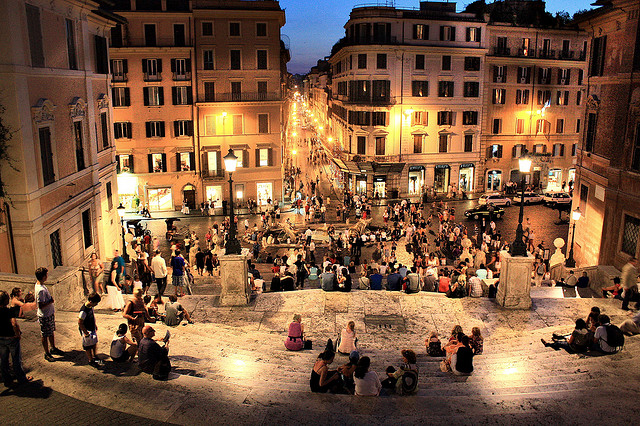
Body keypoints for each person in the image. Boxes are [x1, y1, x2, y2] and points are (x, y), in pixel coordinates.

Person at [0, 290, 33, 387]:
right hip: (11, 337)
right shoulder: (9, 311)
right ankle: (21, 378)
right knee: (16, 359)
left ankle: (7, 380)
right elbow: (14, 324)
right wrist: (17, 334)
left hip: (1, 338)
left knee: (4, 360)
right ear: (5, 300)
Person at [35, 267, 63, 362]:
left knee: (50, 332)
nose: (47, 276)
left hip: (49, 314)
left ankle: (53, 348)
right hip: (45, 315)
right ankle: (47, 353)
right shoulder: (41, 290)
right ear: (43, 276)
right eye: (46, 275)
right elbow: (40, 305)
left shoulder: (41, 285)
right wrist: (50, 301)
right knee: (45, 334)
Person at [78, 292, 102, 367]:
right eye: (96, 303)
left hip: (92, 328)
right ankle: (90, 360)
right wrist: (85, 333)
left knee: (94, 342)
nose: (96, 305)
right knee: (87, 346)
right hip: (87, 330)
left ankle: (95, 355)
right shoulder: (83, 310)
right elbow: (80, 323)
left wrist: (95, 325)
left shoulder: (90, 307)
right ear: (91, 302)